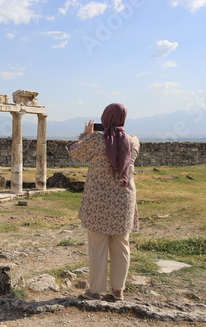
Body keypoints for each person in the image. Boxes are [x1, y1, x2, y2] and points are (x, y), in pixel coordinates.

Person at [66, 103, 140, 301]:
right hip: (124, 200)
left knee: (97, 247)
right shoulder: (133, 141)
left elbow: (75, 152)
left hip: (99, 201)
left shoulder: (97, 141)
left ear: (106, 118)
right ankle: (118, 291)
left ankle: (96, 291)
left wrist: (86, 135)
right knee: (122, 246)